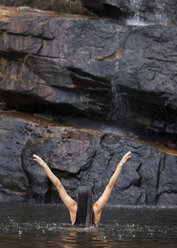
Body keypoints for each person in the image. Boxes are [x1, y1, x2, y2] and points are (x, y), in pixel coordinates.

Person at [33, 151, 131, 227]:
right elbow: (110, 186)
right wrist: (120, 164)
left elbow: (59, 185)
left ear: (77, 196)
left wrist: (45, 166)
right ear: (92, 196)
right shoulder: (96, 208)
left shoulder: (73, 208)